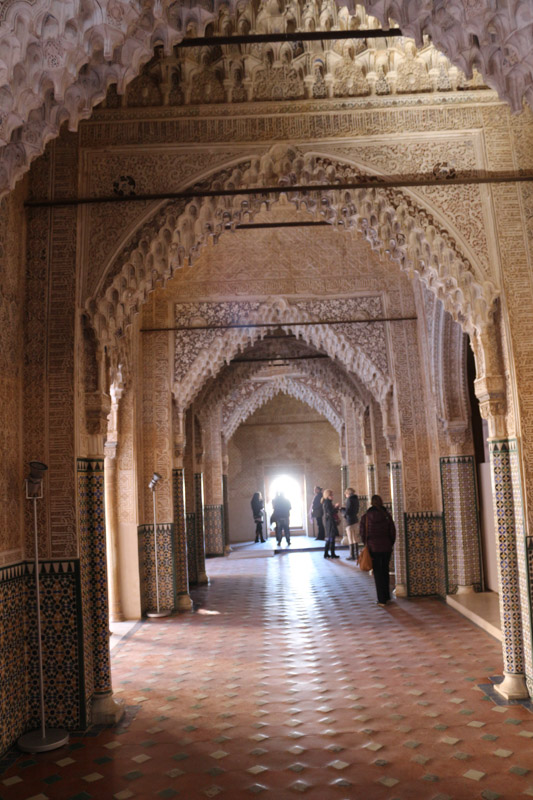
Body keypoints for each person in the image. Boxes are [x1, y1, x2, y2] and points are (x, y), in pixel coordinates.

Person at [360, 494, 396, 606]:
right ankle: (387, 596)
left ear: (371, 503)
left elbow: (363, 533)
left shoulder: (366, 517)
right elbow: (392, 532)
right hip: (386, 547)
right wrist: (390, 543)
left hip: (373, 548)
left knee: (378, 573)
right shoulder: (386, 515)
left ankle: (381, 600)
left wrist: (366, 544)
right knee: (385, 571)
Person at [342, 488, 360, 561]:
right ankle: (356, 555)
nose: (345, 496)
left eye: (345, 494)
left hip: (350, 521)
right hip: (355, 519)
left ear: (348, 493)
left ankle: (352, 555)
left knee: (351, 538)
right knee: (355, 538)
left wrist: (342, 510)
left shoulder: (349, 499)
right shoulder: (356, 499)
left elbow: (348, 511)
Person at [322, 489, 339, 559]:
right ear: (327, 495)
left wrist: (335, 507)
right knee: (331, 537)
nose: (332, 496)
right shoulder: (327, 503)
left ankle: (326, 553)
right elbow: (331, 512)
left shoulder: (327, 502)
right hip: (330, 522)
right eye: (331, 495)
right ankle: (332, 554)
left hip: (329, 522)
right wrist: (336, 507)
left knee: (330, 538)